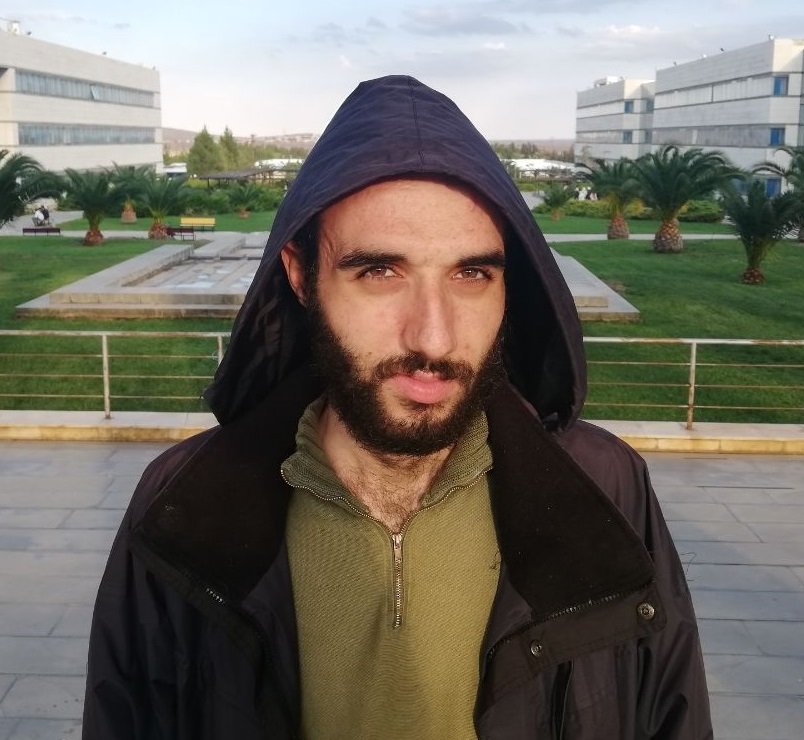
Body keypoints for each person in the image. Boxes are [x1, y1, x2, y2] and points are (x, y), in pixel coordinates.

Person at [83, 76, 712, 739]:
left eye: (472, 274)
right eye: (380, 272)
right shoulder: (186, 503)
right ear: (300, 274)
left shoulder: (605, 486)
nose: (433, 339)